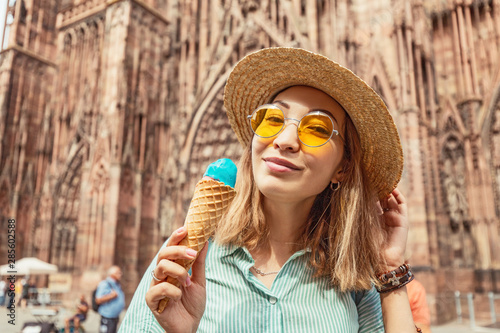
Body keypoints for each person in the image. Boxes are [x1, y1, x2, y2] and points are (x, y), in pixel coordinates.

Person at [120, 47, 417, 332]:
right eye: (272, 119)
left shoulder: (352, 275)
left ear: (343, 167)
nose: (284, 139)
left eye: (317, 128)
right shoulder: (187, 257)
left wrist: (389, 269)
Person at [95, 266, 125, 333]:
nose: (121, 274)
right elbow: (98, 300)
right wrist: (111, 296)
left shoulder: (116, 284)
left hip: (114, 317)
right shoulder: (105, 284)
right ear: (112, 274)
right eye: (118, 273)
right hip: (107, 317)